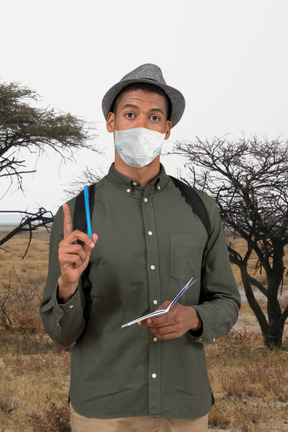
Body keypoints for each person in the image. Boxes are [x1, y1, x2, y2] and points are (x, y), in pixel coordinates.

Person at [40, 64, 241, 432]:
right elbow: (61, 333)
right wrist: (67, 287)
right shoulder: (76, 214)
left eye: (154, 117)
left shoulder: (200, 208)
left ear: (167, 128)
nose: (141, 125)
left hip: (183, 404)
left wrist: (192, 318)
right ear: (111, 122)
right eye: (131, 114)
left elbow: (227, 302)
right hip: (103, 409)